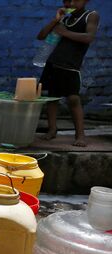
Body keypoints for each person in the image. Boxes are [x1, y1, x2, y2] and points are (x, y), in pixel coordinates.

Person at [37, 0, 99, 147]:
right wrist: (55, 20)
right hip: (53, 63)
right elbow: (41, 36)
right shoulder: (65, 18)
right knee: (52, 98)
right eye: (67, 0)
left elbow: (89, 37)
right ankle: (52, 130)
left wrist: (65, 32)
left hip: (71, 66)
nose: (71, 3)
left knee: (73, 99)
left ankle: (80, 135)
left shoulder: (91, 15)